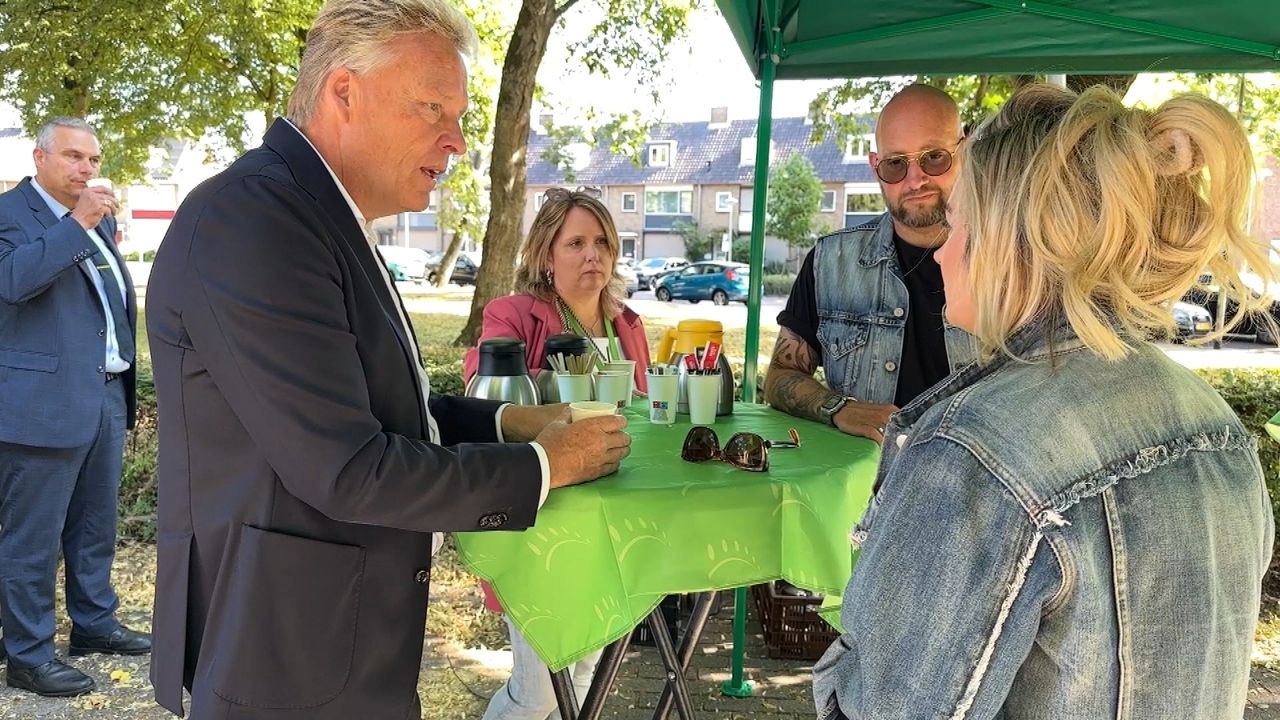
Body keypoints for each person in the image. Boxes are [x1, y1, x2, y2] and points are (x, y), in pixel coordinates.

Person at [144, 2, 631, 718]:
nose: (457, 140)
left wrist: (511, 422)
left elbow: (364, 403)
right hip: (281, 659)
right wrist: (547, 464)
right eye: (433, 107)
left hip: (330, 645)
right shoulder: (256, 220)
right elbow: (347, 464)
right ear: (344, 91)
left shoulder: (319, 213)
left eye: (459, 115)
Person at [812, 84, 1276, 719]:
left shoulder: (973, 452)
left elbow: (880, 708)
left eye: (962, 221)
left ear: (1019, 238)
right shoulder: (1217, 429)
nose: (943, 249)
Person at [463, 187, 651, 720]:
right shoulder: (515, 315)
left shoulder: (627, 325)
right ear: (548, 255)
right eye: (575, 243)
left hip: (615, 523)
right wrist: (557, 385)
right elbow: (482, 392)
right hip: (542, 525)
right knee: (539, 692)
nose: (592, 255)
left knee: (587, 675)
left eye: (601, 242)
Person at [0, 117, 151, 698]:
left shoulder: (100, 217)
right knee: (32, 539)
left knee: (94, 526)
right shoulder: (10, 214)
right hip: (39, 404)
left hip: (103, 394)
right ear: (39, 157)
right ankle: (28, 654)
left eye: (92, 159)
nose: (86, 169)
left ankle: (94, 624)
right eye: (72, 157)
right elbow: (13, 281)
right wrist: (77, 223)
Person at [767, 84, 973, 445]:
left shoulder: (1015, 265)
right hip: (863, 491)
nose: (916, 179)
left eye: (934, 157)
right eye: (896, 164)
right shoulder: (830, 263)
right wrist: (838, 407)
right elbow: (779, 376)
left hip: (976, 495)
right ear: (876, 166)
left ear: (965, 149)